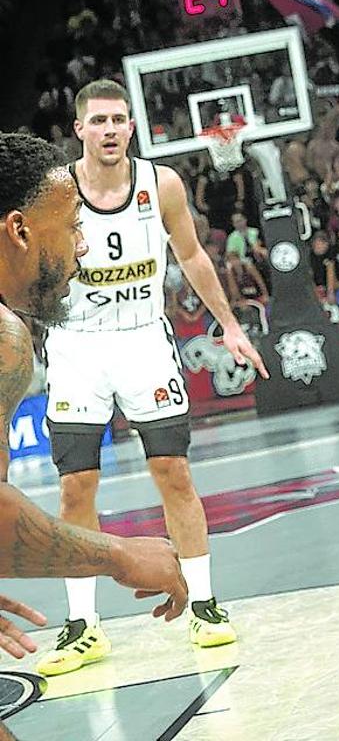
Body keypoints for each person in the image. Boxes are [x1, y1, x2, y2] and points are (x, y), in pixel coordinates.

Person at [36, 80, 269, 678]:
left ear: (130, 128)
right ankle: (83, 626)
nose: (110, 130)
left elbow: (192, 256)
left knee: (174, 472)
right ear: (80, 129)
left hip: (143, 339)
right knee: (75, 487)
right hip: (77, 346)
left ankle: (206, 604)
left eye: (119, 120)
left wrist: (230, 326)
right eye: (99, 121)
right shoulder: (57, 192)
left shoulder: (160, 184)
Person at [0, 131, 188, 683]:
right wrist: (120, 556)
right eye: (74, 224)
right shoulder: (4, 342)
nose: (83, 246)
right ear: (19, 230)